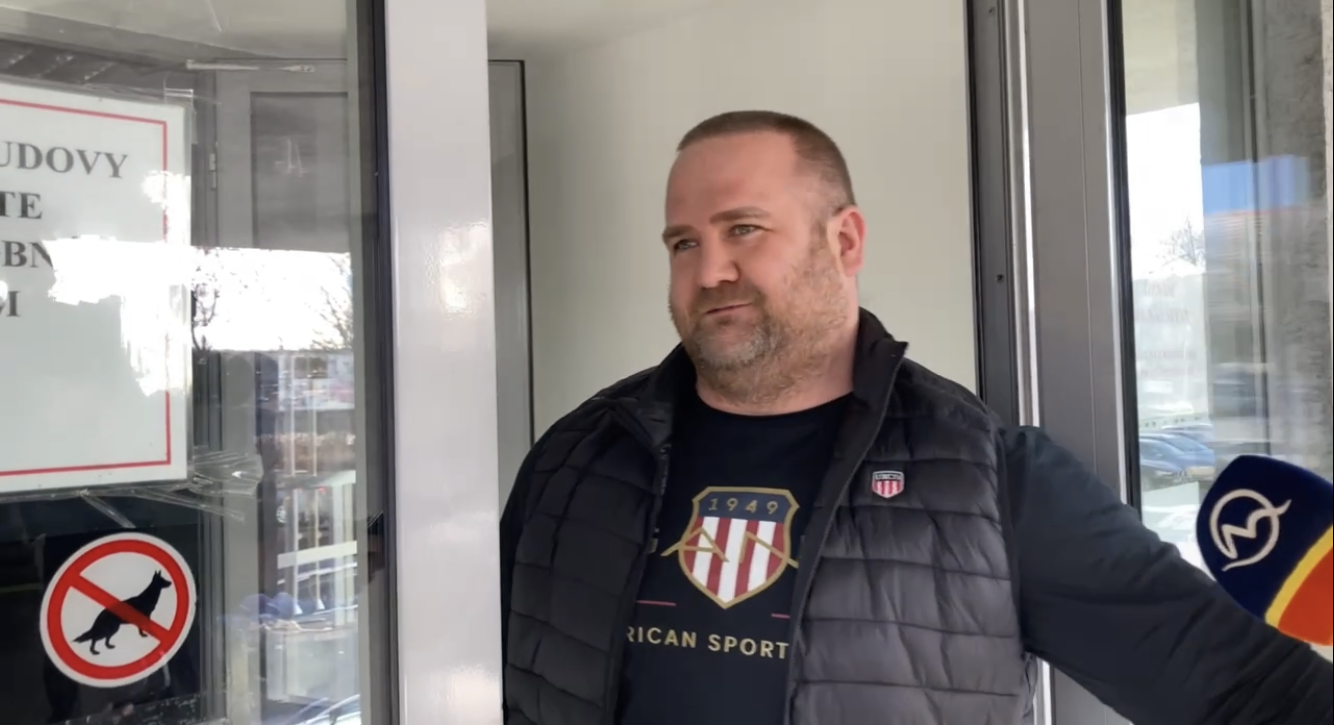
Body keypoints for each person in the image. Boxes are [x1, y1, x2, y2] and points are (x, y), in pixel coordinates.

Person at [498, 110, 1333, 725]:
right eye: (684, 242)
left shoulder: (990, 480)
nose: (710, 269)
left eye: (743, 229)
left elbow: (1252, 696)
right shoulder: (577, 458)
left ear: (845, 242)